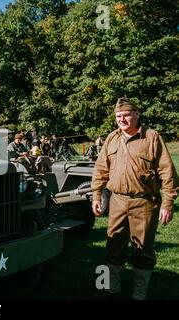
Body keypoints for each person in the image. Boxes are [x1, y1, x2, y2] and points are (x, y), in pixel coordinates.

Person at [91, 97, 179, 300]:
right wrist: (96, 195)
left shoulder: (152, 137)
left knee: (143, 249)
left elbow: (168, 173)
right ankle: (110, 288)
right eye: (118, 116)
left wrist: (167, 204)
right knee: (113, 245)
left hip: (144, 202)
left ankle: (139, 293)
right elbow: (100, 170)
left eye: (126, 115)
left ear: (137, 114)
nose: (121, 119)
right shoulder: (111, 138)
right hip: (117, 201)